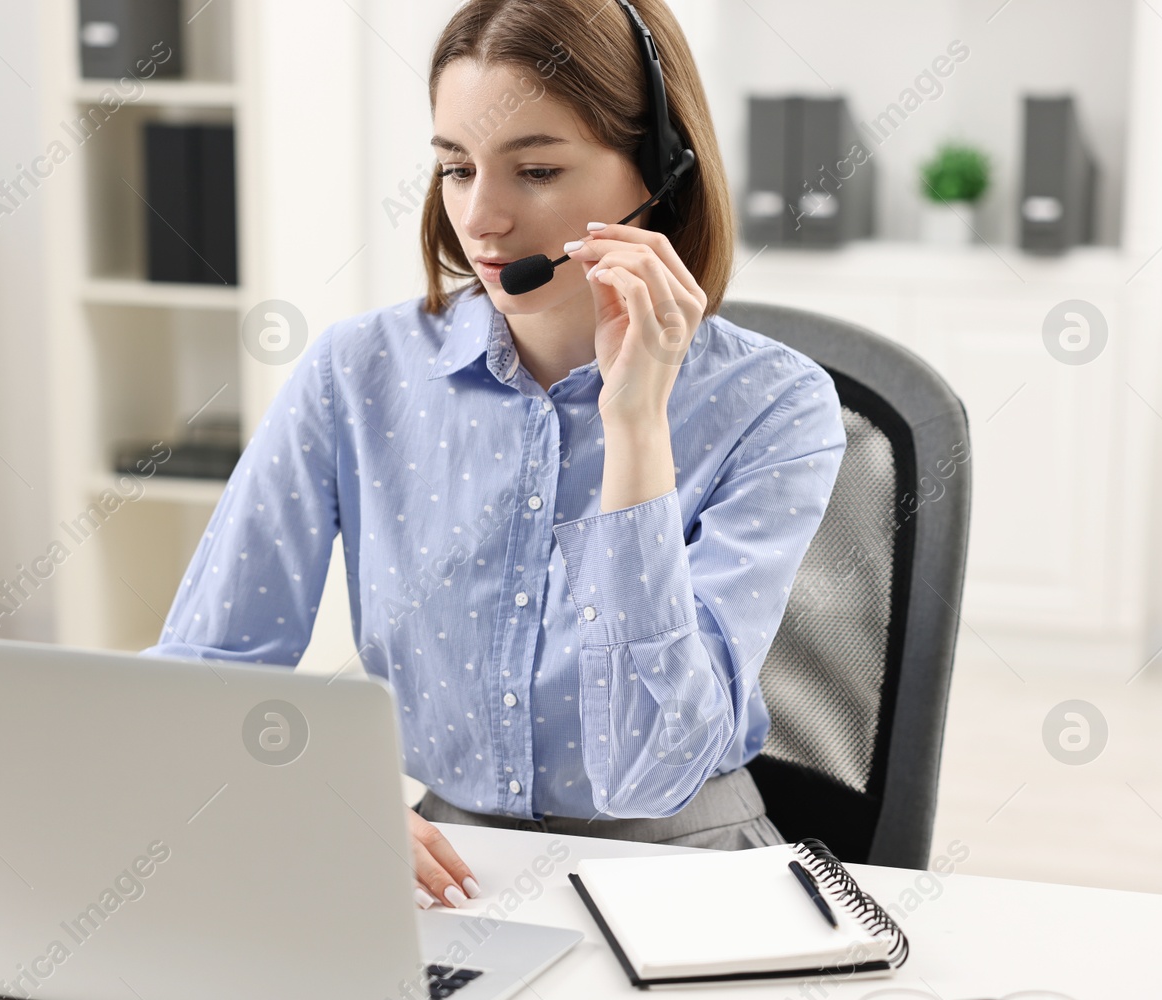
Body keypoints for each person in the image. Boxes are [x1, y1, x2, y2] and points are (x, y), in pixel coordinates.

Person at [140, 0, 846, 914]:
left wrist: (636, 426)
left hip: (683, 873)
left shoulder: (776, 405)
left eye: (538, 169)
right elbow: (205, 675)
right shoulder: (357, 373)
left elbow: (647, 767)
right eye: (455, 168)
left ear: (661, 173)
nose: (484, 218)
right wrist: (321, 797)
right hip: (444, 865)